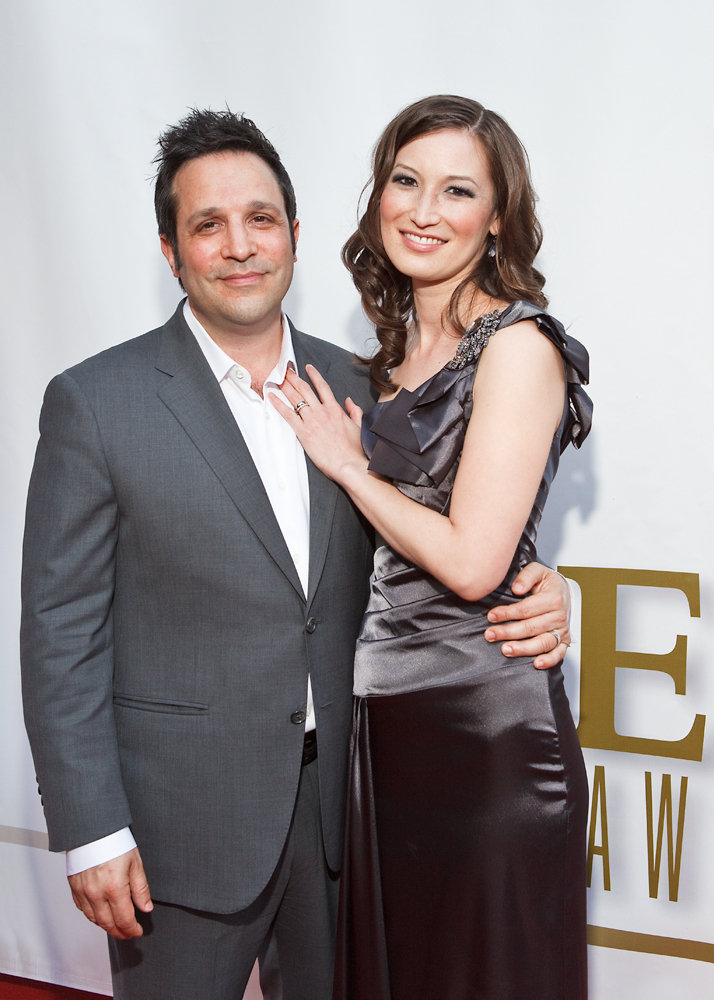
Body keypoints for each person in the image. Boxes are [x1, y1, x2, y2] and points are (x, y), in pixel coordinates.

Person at [21, 108, 575, 1000]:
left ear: (295, 235)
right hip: (180, 838)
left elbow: (435, 535)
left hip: (352, 820)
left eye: (261, 220)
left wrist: (542, 580)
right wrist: (93, 830)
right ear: (171, 250)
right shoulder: (98, 402)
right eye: (208, 225)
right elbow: (59, 635)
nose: (239, 246)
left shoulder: (361, 387)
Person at [274, 95, 592, 999]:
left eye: (457, 191)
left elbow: (474, 563)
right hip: (388, 732)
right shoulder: (384, 357)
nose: (422, 210)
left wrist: (350, 468)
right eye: (405, 181)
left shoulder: (519, 345)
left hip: (485, 737)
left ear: (496, 220)